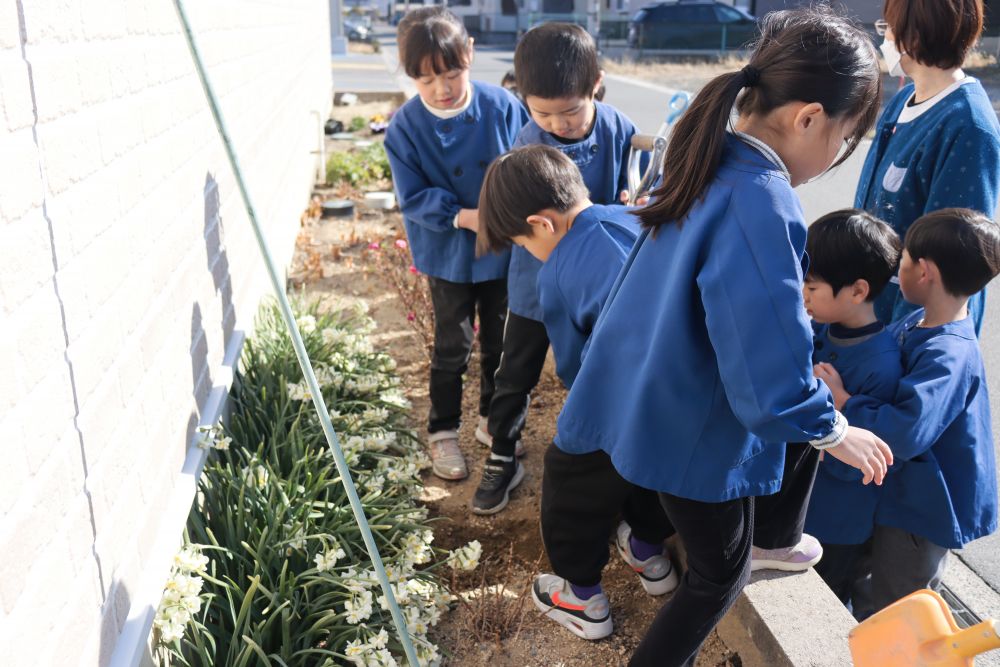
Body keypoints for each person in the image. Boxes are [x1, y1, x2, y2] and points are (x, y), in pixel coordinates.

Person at [554, 9, 893, 665]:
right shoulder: (763, 201)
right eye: (846, 137)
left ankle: (670, 541)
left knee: (696, 538)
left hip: (646, 396)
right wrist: (834, 431)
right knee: (719, 574)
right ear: (808, 118)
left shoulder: (704, 150)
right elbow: (769, 364)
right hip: (693, 433)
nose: (835, 157)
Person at [477, 145, 677, 637]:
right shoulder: (633, 216)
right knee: (652, 474)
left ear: (542, 225)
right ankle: (649, 553)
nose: (528, 251)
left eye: (523, 242)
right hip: (678, 392)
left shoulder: (559, 272)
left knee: (570, 484)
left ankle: (582, 598)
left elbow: (574, 365)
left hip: (618, 396)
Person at [472, 22, 643, 514]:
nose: (557, 124)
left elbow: (632, 190)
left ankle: (609, 455)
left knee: (598, 368)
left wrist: (633, 200)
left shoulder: (618, 129)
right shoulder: (528, 142)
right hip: (537, 277)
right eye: (541, 112)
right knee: (516, 370)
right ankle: (503, 451)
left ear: (596, 85)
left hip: (598, 283)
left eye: (569, 111)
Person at [815, 208, 999, 617]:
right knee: (870, 583)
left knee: (896, 599)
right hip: (907, 490)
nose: (898, 269)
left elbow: (905, 431)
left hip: (925, 508)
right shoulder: (919, 322)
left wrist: (845, 403)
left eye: (905, 259)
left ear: (925, 272)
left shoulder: (951, 354)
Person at [384, 7, 528, 480]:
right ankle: (442, 429)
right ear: (410, 77)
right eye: (427, 81)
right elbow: (414, 196)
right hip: (448, 251)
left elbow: (526, 162)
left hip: (503, 246)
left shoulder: (502, 106)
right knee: (453, 343)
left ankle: (492, 420)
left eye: (451, 72)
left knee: (501, 342)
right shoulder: (406, 127)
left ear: (469, 54)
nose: (443, 89)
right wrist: (465, 215)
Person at [856, 0, 1000, 334]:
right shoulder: (900, 102)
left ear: (915, 33)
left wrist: (910, 346)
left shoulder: (968, 125)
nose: (884, 37)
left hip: (913, 339)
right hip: (871, 323)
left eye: (888, 27)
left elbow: (951, 260)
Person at [793, 210, 904, 613]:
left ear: (857, 291)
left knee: (822, 604)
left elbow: (867, 462)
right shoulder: (819, 329)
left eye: (813, 287)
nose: (803, 296)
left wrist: (833, 415)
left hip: (838, 521)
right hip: (806, 506)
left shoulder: (881, 363)